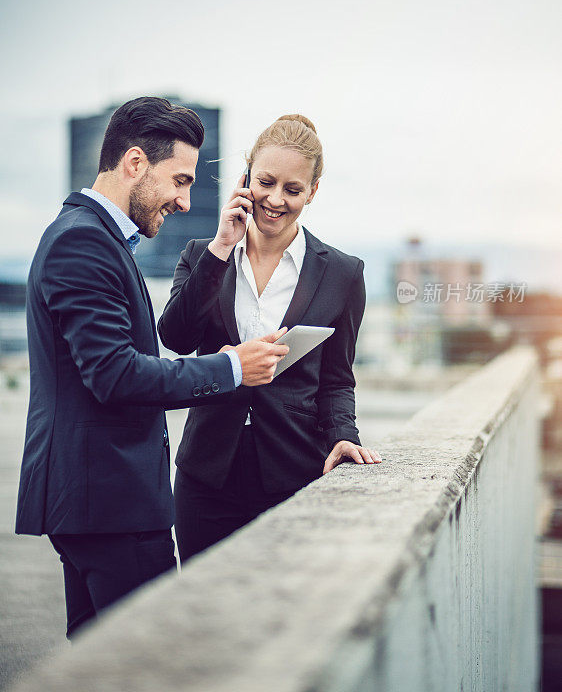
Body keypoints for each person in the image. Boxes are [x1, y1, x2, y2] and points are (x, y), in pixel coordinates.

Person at [15, 96, 289, 638]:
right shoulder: (83, 243)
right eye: (180, 180)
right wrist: (230, 368)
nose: (186, 201)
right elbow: (116, 376)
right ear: (135, 163)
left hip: (96, 500)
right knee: (150, 661)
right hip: (109, 503)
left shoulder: (95, 237)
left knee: (100, 666)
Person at [158, 114, 381, 563]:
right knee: (203, 609)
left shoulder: (341, 273)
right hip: (206, 475)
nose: (275, 200)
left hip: (294, 471)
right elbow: (177, 339)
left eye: (293, 189)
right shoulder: (204, 255)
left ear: (312, 191)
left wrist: (344, 434)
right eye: (265, 182)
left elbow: (337, 378)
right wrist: (222, 247)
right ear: (245, 178)